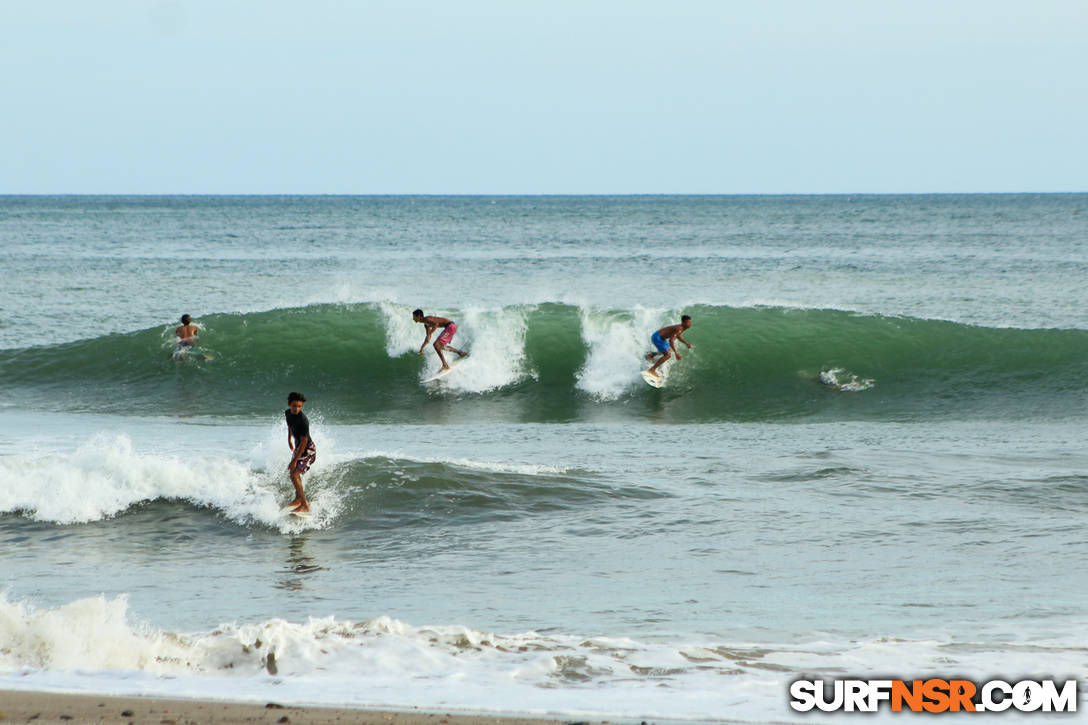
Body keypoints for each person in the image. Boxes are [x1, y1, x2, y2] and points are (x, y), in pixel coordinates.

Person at [284, 392, 315, 513]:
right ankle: (297, 499)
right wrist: (289, 439)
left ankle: (304, 504)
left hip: (307, 450)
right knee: (293, 473)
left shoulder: (303, 421)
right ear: (289, 404)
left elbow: (304, 441)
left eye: (299, 406)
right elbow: (290, 425)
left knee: (294, 474)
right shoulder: (288, 413)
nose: (296, 409)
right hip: (298, 447)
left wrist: (295, 460)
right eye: (294, 406)